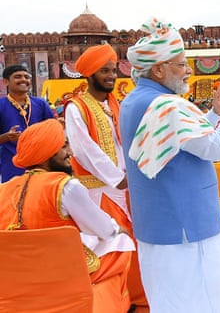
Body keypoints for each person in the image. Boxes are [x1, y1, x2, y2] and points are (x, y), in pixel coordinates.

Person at [120, 17, 220, 313]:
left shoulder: (135, 101)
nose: (188, 70)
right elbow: (217, 148)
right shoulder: (168, 105)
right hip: (186, 230)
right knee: (197, 303)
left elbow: (179, 141)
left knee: (170, 302)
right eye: (181, 64)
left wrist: (216, 114)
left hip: (160, 226)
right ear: (158, 69)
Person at [0, 119, 135, 312]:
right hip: (59, 271)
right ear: (46, 154)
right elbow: (104, 230)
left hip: (14, 274)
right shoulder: (64, 186)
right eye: (63, 146)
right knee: (120, 241)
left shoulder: (5, 188)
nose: (70, 153)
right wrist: (117, 229)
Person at [64, 43, 148, 311]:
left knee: (133, 241)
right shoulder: (76, 108)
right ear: (89, 74)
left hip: (127, 185)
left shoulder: (117, 105)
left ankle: (135, 297)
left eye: (113, 70)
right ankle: (114, 303)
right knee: (109, 246)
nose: (111, 75)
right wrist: (117, 178)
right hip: (99, 191)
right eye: (104, 71)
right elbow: (83, 149)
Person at [0, 64, 55, 182]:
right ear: (6, 82)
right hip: (12, 164)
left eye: (26, 77)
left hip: (41, 163)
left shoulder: (41, 103)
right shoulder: (1, 105)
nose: (23, 80)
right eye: (18, 77)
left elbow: (52, 131)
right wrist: (6, 137)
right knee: (14, 198)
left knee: (40, 197)